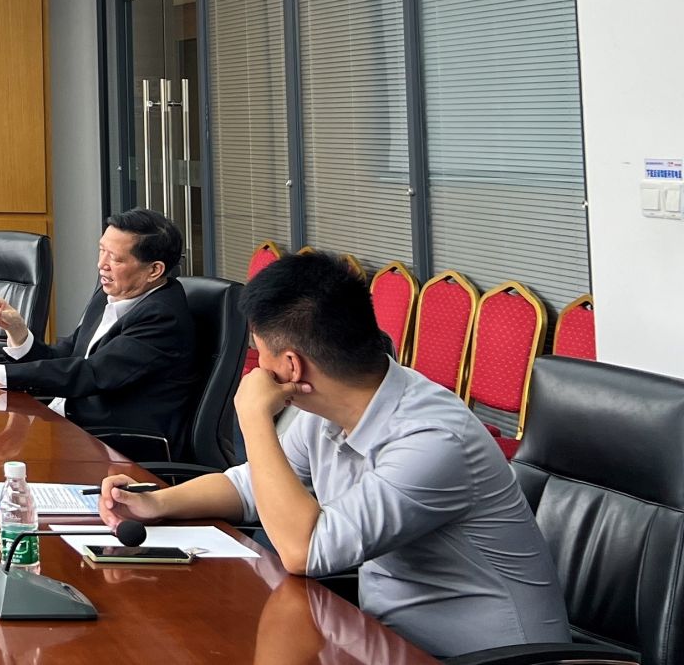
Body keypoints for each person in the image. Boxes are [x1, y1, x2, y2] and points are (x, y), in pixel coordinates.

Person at [98, 250, 570, 659]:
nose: (257, 369)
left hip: (484, 656)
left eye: (260, 354)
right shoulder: (330, 408)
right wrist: (157, 502)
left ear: (291, 366)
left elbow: (306, 552)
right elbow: (252, 485)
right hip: (379, 637)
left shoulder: (432, 440)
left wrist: (253, 415)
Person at [0, 207, 196, 448]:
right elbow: (68, 356)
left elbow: (91, 373)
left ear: (154, 270)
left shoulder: (162, 317)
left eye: (115, 258)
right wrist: (19, 333)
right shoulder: (109, 295)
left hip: (115, 446)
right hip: (66, 425)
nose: (101, 265)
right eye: (101, 250)